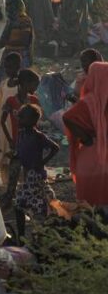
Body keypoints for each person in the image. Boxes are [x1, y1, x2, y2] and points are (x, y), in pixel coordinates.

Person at [7, 104, 59, 240]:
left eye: (22, 118)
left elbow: (55, 147)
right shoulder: (21, 134)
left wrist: (43, 162)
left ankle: (35, 238)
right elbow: (20, 151)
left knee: (30, 206)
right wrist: (15, 156)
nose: (19, 121)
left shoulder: (38, 136)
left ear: (32, 120)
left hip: (36, 176)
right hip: (27, 177)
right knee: (21, 205)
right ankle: (23, 236)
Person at [63, 62, 108, 206]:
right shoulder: (95, 101)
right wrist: (87, 137)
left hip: (91, 154)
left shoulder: (90, 101)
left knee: (89, 207)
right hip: (99, 154)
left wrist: (86, 137)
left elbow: (67, 117)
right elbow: (68, 117)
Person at [0, 69, 41, 198]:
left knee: (28, 172)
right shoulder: (11, 101)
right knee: (14, 172)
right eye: (35, 84)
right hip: (17, 142)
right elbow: (2, 121)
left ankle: (26, 197)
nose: (36, 87)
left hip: (30, 142)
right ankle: (11, 195)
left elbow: (37, 124)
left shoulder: (34, 100)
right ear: (26, 83)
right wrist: (10, 139)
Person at [0, 53, 23, 186]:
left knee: (17, 157)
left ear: (19, 66)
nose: (8, 70)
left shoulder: (22, 86)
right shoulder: (4, 84)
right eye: (6, 67)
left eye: (11, 67)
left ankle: (18, 186)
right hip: (4, 128)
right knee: (4, 159)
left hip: (18, 127)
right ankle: (7, 187)